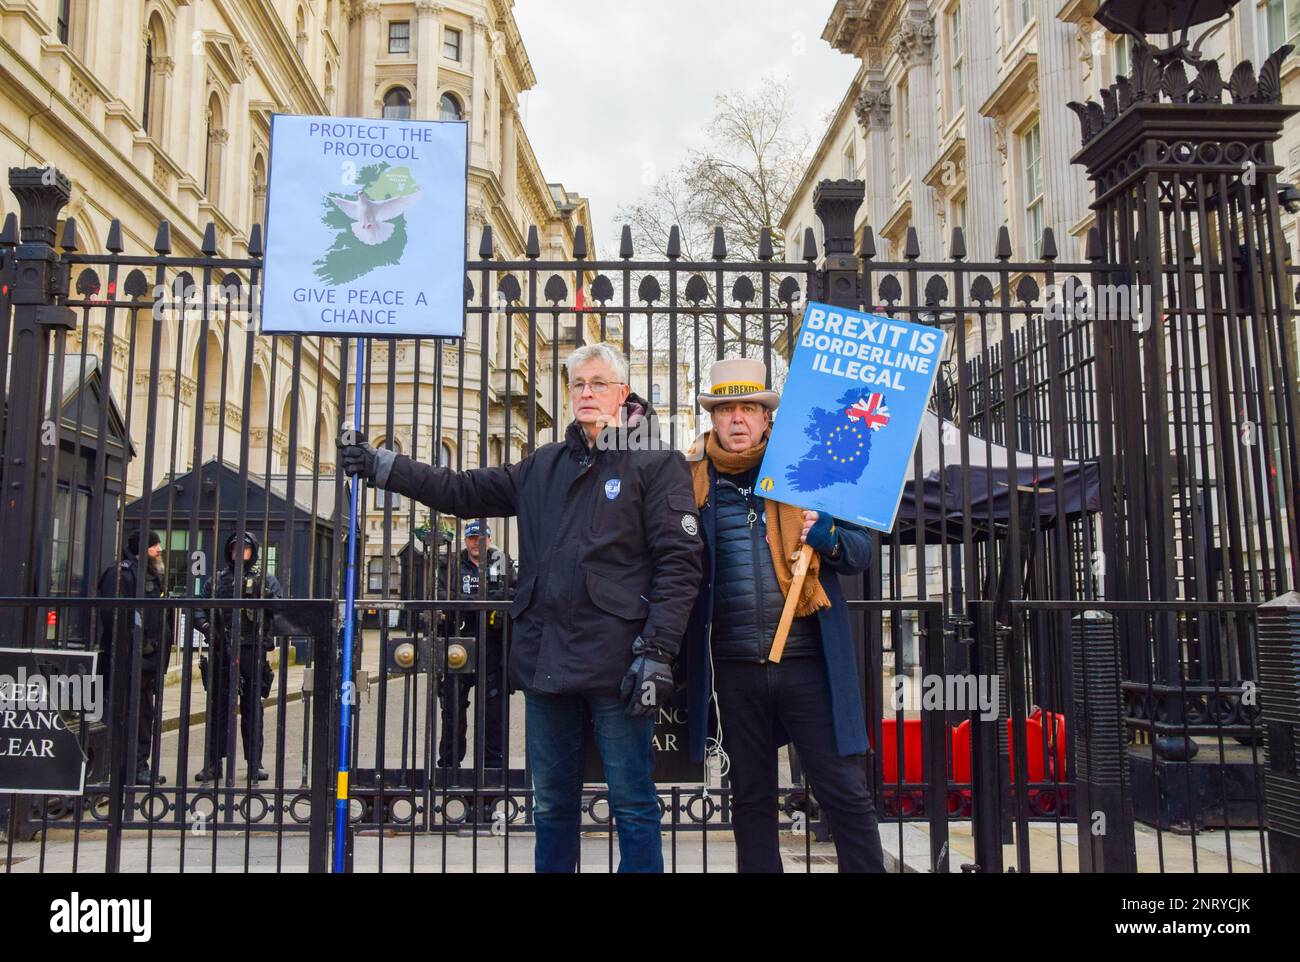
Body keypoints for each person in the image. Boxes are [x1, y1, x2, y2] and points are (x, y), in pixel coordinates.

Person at [341, 342, 702, 873]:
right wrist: (384, 466)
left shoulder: (655, 462)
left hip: (621, 662)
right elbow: (460, 490)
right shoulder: (542, 466)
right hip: (547, 660)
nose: (586, 393)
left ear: (623, 394)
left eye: (598, 383)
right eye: (578, 384)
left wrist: (659, 651)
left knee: (633, 803)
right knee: (552, 805)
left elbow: (680, 563)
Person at [682, 357, 886, 873]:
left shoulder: (810, 470)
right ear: (713, 419)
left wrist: (827, 536)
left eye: (748, 407)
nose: (737, 419)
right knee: (750, 799)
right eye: (726, 408)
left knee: (844, 792)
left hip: (806, 662)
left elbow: (863, 550)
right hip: (733, 667)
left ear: (767, 417)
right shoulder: (690, 484)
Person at [192, 531, 283, 784]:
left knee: (253, 709)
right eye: (235, 548)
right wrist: (210, 629)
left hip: (252, 649)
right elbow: (199, 608)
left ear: (252, 551)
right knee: (218, 709)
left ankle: (254, 763)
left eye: (245, 548)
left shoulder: (266, 580)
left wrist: (265, 598)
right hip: (223, 650)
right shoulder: (217, 580)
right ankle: (213, 764)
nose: (240, 553)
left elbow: (279, 609)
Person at [435, 520, 515, 773]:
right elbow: (442, 595)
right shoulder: (451, 564)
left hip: (493, 643)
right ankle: (449, 766)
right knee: (452, 707)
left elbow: (509, 593)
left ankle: (492, 766)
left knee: (493, 709)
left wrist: (467, 601)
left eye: (481, 537)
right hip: (456, 643)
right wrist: (484, 601)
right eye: (471, 538)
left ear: (489, 539)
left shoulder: (501, 560)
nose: (476, 542)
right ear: (466, 540)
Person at [97, 529, 173, 785]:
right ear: (141, 550)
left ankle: (139, 764)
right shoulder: (121, 574)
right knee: (125, 712)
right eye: (154, 545)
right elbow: (112, 616)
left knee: (143, 714)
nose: (159, 549)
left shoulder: (152, 575)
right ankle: (121, 766)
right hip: (127, 659)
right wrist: (130, 647)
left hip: (149, 660)